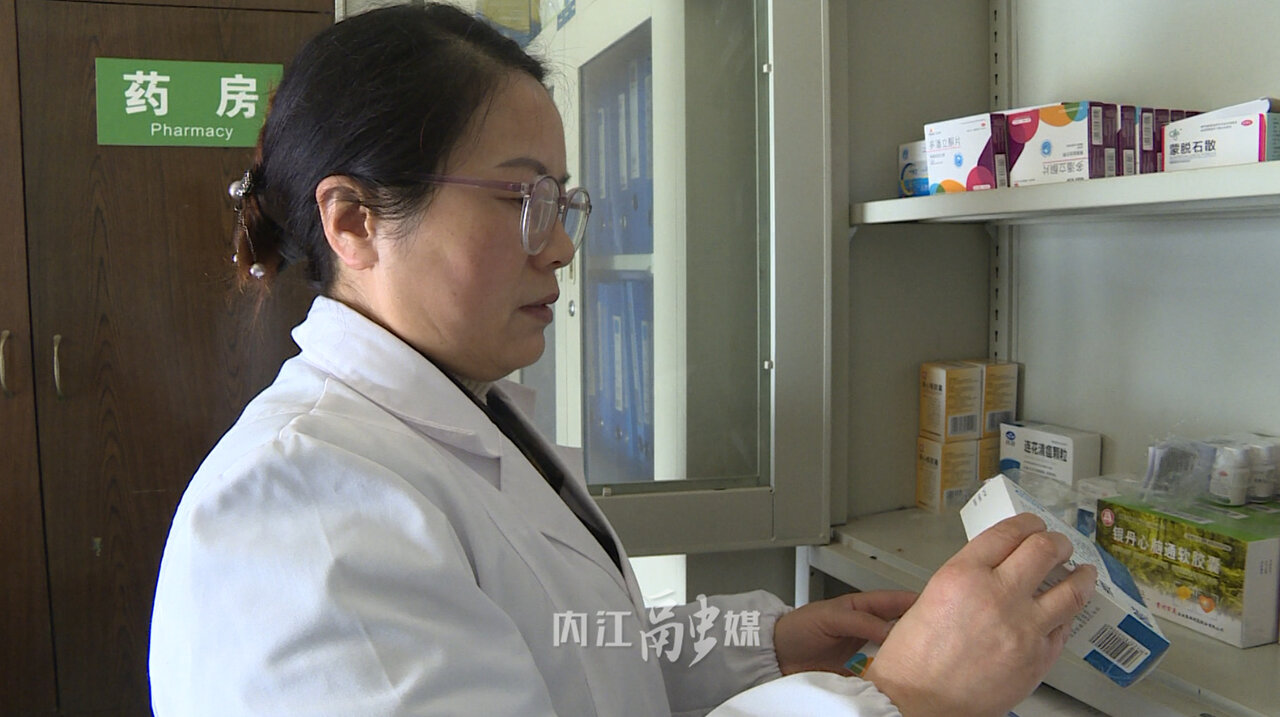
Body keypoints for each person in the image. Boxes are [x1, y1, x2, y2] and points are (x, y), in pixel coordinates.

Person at [148, 4, 1096, 716]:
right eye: (520, 199)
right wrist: (909, 692)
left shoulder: (466, 414)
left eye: (561, 201)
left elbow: (573, 648)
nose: (562, 246)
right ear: (354, 220)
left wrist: (764, 643)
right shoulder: (298, 516)